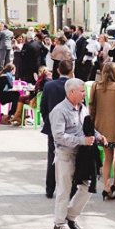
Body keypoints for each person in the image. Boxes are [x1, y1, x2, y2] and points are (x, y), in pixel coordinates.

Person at [50, 77, 106, 229]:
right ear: (71, 92)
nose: (84, 94)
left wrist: (99, 136)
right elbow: (59, 136)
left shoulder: (83, 108)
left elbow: (88, 128)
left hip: (83, 155)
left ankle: (71, 216)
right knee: (64, 190)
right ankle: (59, 223)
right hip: (65, 155)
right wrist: (82, 140)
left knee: (88, 186)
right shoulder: (59, 111)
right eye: (82, 91)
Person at [88, 62, 115, 200]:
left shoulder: (95, 86)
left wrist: (93, 125)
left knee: (107, 158)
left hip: (101, 127)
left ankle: (106, 186)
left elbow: (91, 107)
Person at [40, 60, 74, 198]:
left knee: (52, 156)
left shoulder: (50, 86)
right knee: (71, 158)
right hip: (71, 127)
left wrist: (48, 120)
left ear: (58, 71)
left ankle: (50, 188)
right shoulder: (75, 85)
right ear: (71, 71)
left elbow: (43, 106)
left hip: (53, 127)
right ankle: (70, 189)